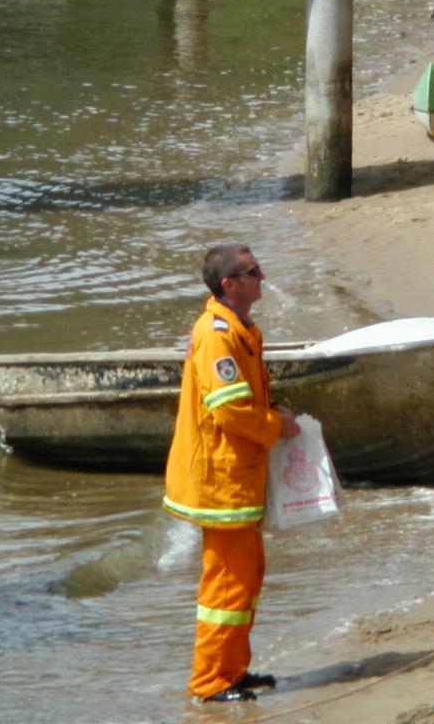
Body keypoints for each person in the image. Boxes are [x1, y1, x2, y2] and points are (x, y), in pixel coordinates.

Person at [163, 244, 300, 704]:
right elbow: (230, 411)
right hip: (220, 482)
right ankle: (210, 681)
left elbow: (246, 397)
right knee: (225, 584)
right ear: (230, 284)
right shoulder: (217, 334)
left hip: (237, 478)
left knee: (247, 575)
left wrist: (273, 409)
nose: (262, 276)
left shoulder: (239, 329)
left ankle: (233, 669)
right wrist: (278, 426)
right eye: (253, 271)